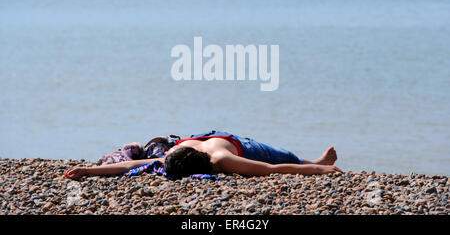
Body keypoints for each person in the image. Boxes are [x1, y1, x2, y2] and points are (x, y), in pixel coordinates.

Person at [64, 130, 343, 180]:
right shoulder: (174, 153)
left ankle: (317, 162)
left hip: (237, 144)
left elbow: (273, 169)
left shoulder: (221, 160)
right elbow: (130, 165)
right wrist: (88, 171)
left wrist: (319, 172)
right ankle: (317, 162)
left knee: (281, 156)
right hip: (203, 136)